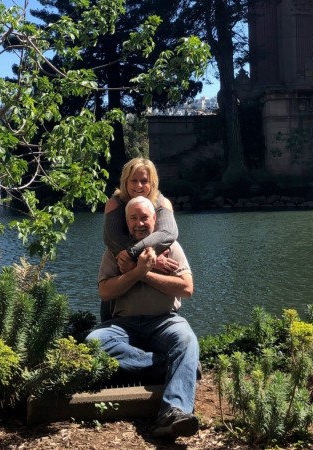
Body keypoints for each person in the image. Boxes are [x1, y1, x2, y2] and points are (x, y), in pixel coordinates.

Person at [86, 196, 199, 439]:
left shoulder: (171, 247)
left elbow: (186, 289)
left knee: (187, 341)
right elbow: (105, 292)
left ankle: (175, 412)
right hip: (123, 325)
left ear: (155, 220)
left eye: (144, 217)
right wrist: (137, 270)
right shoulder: (115, 254)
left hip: (165, 321)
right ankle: (165, 366)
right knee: (93, 342)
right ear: (126, 223)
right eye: (133, 218)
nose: (139, 223)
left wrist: (143, 273)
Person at [101, 157, 179, 321]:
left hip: (156, 286)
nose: (138, 186)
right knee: (107, 332)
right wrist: (152, 260)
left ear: (152, 182)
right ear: (125, 182)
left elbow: (168, 233)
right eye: (133, 180)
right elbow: (112, 238)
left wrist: (135, 257)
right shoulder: (115, 204)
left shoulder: (162, 203)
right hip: (119, 272)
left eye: (144, 181)